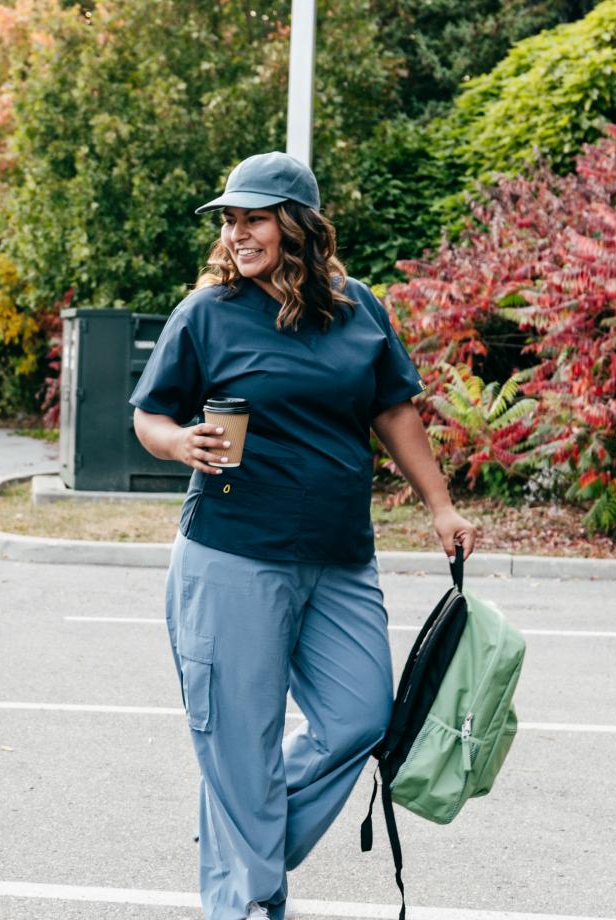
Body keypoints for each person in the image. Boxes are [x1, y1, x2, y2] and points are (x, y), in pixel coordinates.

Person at [129, 152, 482, 920]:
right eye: (230, 219)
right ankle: (247, 900)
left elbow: (393, 411)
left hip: (339, 556)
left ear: (298, 223)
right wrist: (176, 442)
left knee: (362, 718)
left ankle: (240, 840)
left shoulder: (359, 308)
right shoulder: (209, 312)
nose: (236, 232)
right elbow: (149, 413)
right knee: (239, 740)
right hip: (232, 552)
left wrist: (441, 506)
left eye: (253, 216)